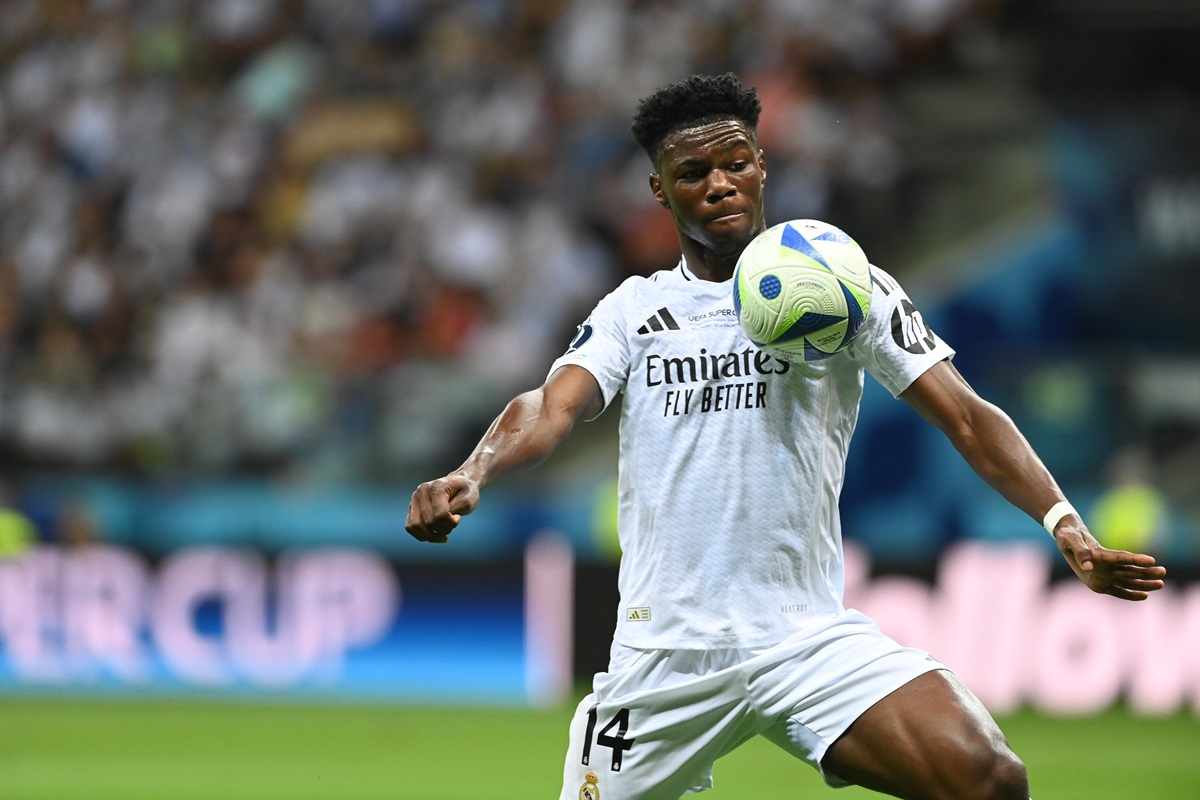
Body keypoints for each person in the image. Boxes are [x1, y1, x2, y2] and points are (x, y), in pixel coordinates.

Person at [405, 73, 1167, 800]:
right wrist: (474, 471)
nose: (720, 182)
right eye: (694, 170)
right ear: (659, 190)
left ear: (762, 166)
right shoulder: (636, 310)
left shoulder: (844, 283)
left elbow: (967, 415)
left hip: (802, 639)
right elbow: (549, 408)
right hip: (665, 658)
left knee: (989, 779)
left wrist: (1065, 524)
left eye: (736, 162)